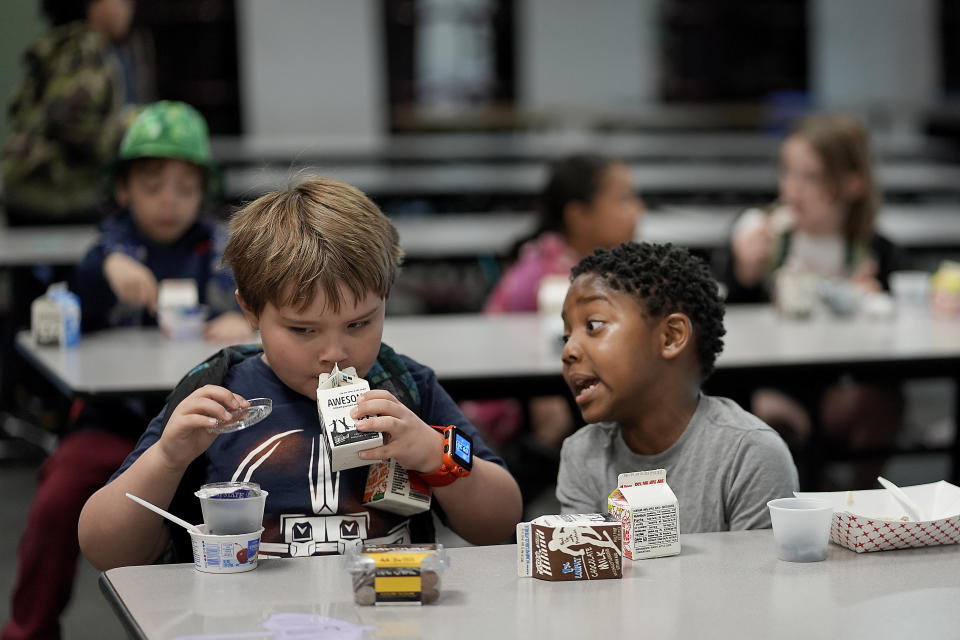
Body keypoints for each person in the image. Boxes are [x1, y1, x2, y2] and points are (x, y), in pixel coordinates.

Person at [77, 176, 523, 571]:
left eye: (359, 324)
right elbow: (105, 549)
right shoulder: (218, 391)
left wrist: (435, 454)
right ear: (250, 311)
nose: (334, 353)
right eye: (303, 329)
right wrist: (167, 459)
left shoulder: (406, 387)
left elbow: (501, 520)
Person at [1, 100, 252, 640]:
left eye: (184, 189)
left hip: (206, 429)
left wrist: (239, 316)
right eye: (152, 185)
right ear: (124, 190)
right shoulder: (111, 248)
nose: (169, 201)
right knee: (56, 501)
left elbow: (259, 303)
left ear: (202, 193)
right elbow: (72, 306)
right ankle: (29, 628)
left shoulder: (221, 248)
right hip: (114, 419)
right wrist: (103, 266)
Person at [556, 242, 798, 532]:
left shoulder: (750, 455)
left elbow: (758, 576)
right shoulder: (582, 454)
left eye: (593, 325)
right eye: (566, 336)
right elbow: (589, 571)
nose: (568, 350)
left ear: (671, 337)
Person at [720, 113, 903, 482]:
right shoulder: (762, 240)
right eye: (787, 172)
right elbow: (727, 331)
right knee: (759, 419)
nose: (792, 189)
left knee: (881, 403)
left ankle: (866, 505)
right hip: (776, 386)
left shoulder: (876, 252)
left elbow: (899, 340)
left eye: (811, 177)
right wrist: (744, 274)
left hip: (843, 388)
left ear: (853, 183)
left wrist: (876, 303)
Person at [464, 154, 644, 507]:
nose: (638, 210)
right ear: (578, 215)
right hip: (503, 409)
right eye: (623, 199)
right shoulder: (550, 275)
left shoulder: (586, 264)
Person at [2, 0, 137, 226]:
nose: (128, 8)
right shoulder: (84, 50)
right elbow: (74, 125)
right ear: (92, 6)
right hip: (59, 199)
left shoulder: (58, 42)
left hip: (28, 192)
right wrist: (130, 129)